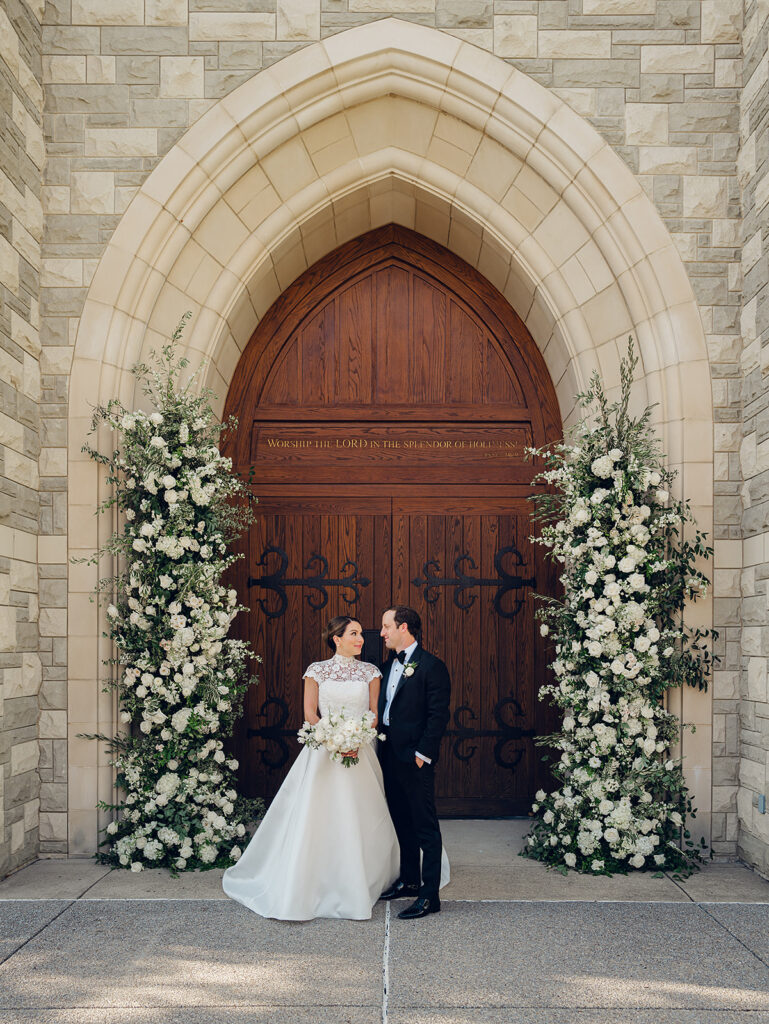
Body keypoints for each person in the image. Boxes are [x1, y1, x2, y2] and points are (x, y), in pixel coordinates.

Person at [222, 616, 399, 920]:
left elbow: (374, 712)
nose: (361, 639)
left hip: (359, 750)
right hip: (324, 751)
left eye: (360, 634)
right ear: (337, 638)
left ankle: (364, 876)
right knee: (318, 814)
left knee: (361, 814)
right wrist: (335, 739)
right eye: (353, 634)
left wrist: (355, 737)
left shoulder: (370, 672)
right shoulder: (316, 671)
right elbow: (309, 712)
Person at [378, 605, 451, 919]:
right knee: (401, 823)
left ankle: (429, 896)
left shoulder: (432, 666)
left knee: (425, 827)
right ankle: (409, 880)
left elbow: (438, 716)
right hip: (389, 757)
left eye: (386, 627)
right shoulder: (386, 665)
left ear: (403, 627)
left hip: (415, 759)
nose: (382, 633)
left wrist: (423, 755)